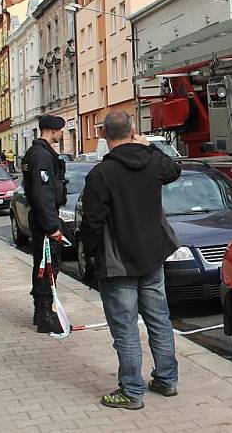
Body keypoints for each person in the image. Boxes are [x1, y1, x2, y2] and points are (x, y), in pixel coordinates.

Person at [80, 111, 182, 410]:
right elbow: (174, 170)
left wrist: (88, 252)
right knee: (159, 320)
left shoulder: (101, 174)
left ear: (104, 136)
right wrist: (148, 145)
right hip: (152, 255)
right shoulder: (152, 162)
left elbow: (92, 222)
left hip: (118, 261)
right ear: (133, 131)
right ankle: (166, 379)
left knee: (125, 329)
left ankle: (131, 391)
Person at [21, 116, 67, 334]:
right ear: (52, 130)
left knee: (43, 265)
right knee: (48, 266)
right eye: (60, 131)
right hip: (44, 219)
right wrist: (52, 226)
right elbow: (42, 193)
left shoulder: (37, 152)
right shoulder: (41, 155)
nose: (61, 134)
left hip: (42, 216)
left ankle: (42, 313)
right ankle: (45, 314)